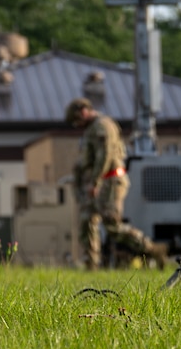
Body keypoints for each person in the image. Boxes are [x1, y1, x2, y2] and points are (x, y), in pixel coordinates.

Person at [64, 97, 167, 270]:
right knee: (86, 220)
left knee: (113, 226)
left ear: (83, 111)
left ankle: (153, 249)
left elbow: (105, 156)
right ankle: (91, 265)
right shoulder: (92, 129)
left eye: (78, 121)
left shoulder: (103, 126)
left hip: (110, 181)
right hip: (100, 182)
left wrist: (95, 182)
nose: (78, 125)